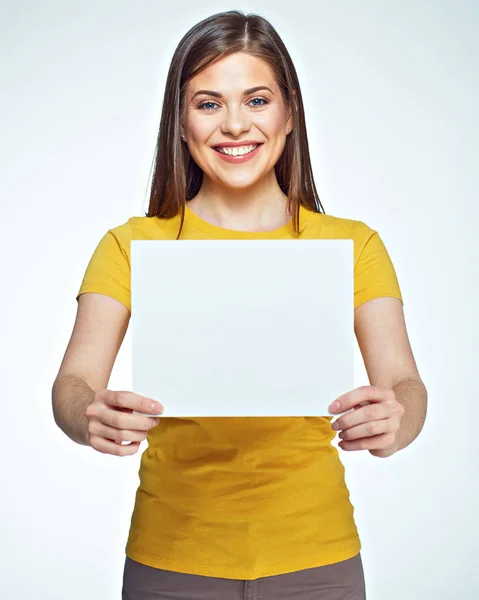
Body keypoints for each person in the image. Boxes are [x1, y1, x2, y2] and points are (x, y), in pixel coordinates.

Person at [51, 10, 428, 600]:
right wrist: (89, 414)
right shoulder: (132, 244)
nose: (233, 125)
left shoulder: (353, 245)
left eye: (256, 100)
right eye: (207, 103)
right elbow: (72, 384)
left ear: (289, 113)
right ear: (180, 121)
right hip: (169, 562)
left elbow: (406, 384)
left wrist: (396, 419)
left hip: (318, 563)